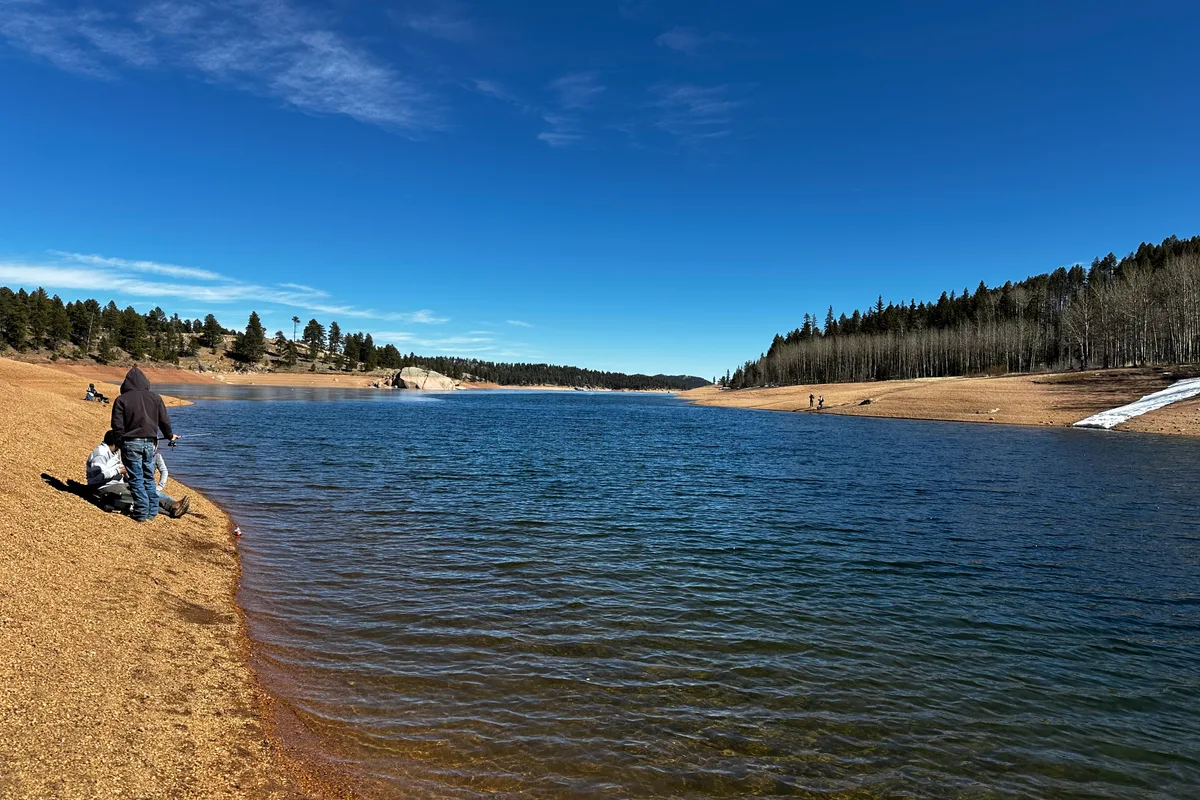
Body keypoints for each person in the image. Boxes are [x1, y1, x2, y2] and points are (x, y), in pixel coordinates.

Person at [111, 367, 179, 522]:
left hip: (130, 443)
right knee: (149, 477)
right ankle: (152, 511)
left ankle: (141, 512)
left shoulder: (121, 400)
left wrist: (119, 443)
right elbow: (164, 421)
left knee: (135, 478)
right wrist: (169, 436)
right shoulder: (156, 398)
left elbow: (117, 425)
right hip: (150, 443)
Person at [87, 430, 189, 517]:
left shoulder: (113, 452)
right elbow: (97, 477)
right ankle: (171, 510)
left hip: (117, 484)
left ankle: (172, 505)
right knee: (138, 497)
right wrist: (119, 471)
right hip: (104, 488)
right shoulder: (100, 454)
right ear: (116, 442)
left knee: (142, 489)